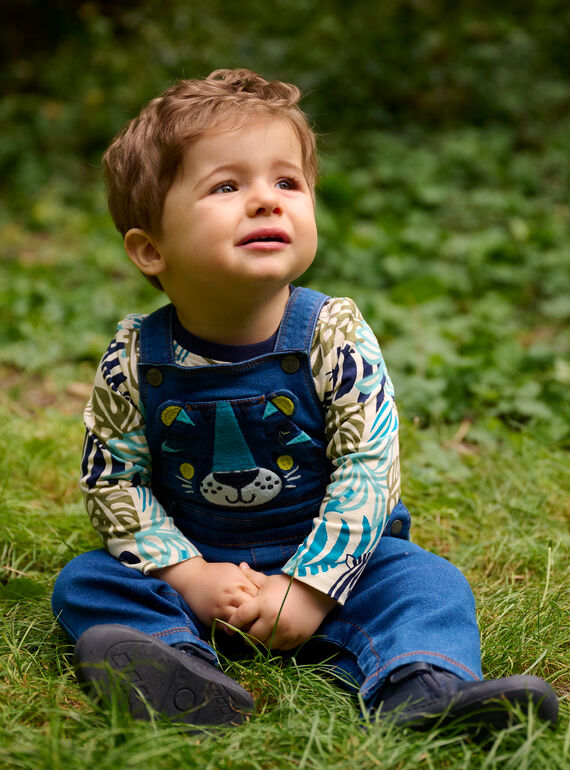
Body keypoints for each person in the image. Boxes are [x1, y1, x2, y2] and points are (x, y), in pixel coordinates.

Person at [52, 68, 558, 731]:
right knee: (86, 582)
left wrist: (311, 585)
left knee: (427, 583)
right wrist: (188, 576)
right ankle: (177, 670)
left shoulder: (334, 335)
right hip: (198, 565)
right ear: (151, 249)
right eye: (227, 186)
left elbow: (368, 469)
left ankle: (422, 687)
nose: (267, 201)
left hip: (336, 563)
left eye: (287, 182)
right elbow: (113, 480)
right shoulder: (134, 357)